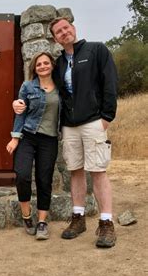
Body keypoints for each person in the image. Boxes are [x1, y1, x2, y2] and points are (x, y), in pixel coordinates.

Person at [13, 17, 118, 248]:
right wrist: (19, 105)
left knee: (98, 171)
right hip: (69, 126)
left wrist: (106, 118)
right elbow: (43, 93)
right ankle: (78, 218)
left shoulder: (96, 50)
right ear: (55, 38)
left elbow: (110, 83)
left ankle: (106, 223)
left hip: (93, 122)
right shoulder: (59, 63)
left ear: (73, 29)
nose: (63, 33)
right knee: (75, 171)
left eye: (65, 28)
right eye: (58, 32)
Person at [6, 52, 60, 240]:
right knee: (22, 175)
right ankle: (27, 216)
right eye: (39, 64)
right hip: (28, 136)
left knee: (44, 179)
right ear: (34, 68)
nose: (43, 66)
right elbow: (20, 111)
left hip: (50, 139)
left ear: (52, 65)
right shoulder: (28, 86)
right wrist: (15, 137)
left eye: (46, 63)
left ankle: (42, 222)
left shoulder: (61, 88)